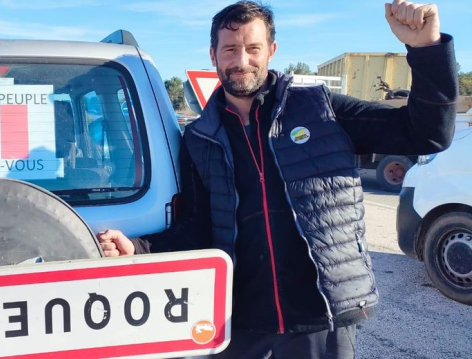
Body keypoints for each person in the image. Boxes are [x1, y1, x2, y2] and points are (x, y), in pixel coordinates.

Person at [97, 1, 457, 358]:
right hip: (237, 319)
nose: (241, 62)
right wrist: (140, 248)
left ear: (271, 50)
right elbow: (198, 225)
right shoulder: (199, 138)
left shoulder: (321, 110)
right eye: (230, 50)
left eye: (253, 48)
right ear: (213, 55)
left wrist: (426, 50)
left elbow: (426, 134)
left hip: (319, 315)